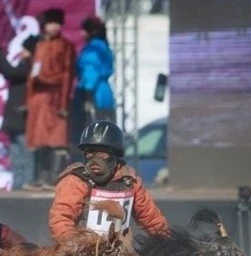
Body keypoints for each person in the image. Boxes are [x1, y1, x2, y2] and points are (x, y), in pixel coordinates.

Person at [48, 120, 170, 241]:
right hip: (82, 247)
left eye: (102, 154)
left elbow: (151, 219)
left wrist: (168, 242)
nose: (95, 160)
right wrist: (72, 243)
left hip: (121, 249)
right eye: (90, 153)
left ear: (115, 155)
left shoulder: (129, 182)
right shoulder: (75, 181)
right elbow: (61, 219)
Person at [24, 8, 76, 190]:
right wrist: (28, 100)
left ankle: (54, 178)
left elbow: (67, 74)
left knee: (55, 139)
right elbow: (33, 73)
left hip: (55, 97)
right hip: (38, 98)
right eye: (50, 23)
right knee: (38, 139)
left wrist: (63, 103)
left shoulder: (65, 45)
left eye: (57, 23)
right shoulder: (39, 44)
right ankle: (39, 177)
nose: (54, 27)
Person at [0, 34, 39, 190]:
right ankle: (19, 181)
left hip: (22, 114)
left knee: (24, 149)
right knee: (16, 150)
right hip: (15, 114)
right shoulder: (25, 64)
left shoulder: (31, 66)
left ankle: (27, 180)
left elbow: (9, 72)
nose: (22, 52)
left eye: (25, 49)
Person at [70, 17, 116, 151]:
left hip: (93, 94)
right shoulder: (104, 47)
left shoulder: (93, 49)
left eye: (84, 31)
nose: (82, 34)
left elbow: (91, 72)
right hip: (105, 95)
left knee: (89, 136)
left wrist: (87, 95)